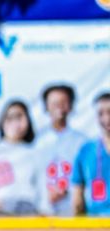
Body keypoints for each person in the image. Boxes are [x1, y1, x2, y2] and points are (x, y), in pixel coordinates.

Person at [35, 84, 89, 216]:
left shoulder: (82, 142)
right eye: (54, 103)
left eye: (63, 102)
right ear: (46, 107)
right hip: (42, 212)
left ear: (71, 106)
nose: (59, 107)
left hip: (73, 212)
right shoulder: (36, 142)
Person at [71, 91, 110, 217]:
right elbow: (78, 196)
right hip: (95, 224)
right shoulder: (86, 151)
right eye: (101, 113)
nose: (106, 118)